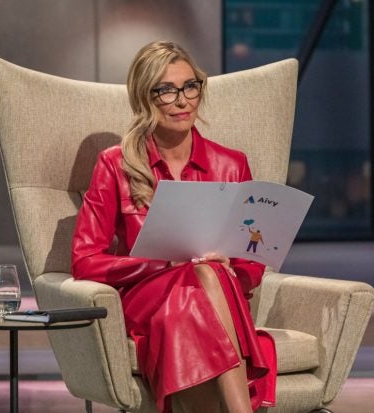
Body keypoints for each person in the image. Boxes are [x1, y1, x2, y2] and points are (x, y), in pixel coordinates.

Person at [71, 41, 276, 413]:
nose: (182, 101)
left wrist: (232, 270)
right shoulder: (115, 164)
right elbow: (85, 261)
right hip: (146, 297)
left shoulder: (232, 164)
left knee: (207, 278)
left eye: (190, 86)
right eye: (167, 90)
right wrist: (162, 264)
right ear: (144, 98)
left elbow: (254, 260)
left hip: (210, 300)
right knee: (203, 274)